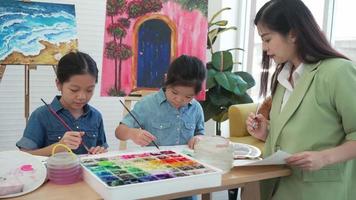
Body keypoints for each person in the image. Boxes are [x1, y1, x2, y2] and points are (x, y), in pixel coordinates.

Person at [245, 0, 356, 199]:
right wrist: (267, 132)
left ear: (293, 33)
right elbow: (302, 132)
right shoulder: (282, 77)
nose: (264, 48)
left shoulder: (338, 72)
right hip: (279, 189)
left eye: (267, 39)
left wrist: (324, 157)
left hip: (321, 192)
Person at [16, 51, 108, 156]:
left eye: (89, 90)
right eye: (74, 90)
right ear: (59, 84)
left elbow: (102, 148)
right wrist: (58, 147)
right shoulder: (41, 115)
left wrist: (100, 152)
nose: (82, 96)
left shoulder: (96, 116)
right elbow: (24, 156)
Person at [115, 54, 206, 149]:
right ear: (166, 80)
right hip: (154, 161)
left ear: (197, 93)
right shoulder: (147, 104)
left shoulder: (196, 108)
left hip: (186, 161)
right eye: (174, 92)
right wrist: (132, 133)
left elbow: (200, 134)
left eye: (188, 96)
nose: (179, 100)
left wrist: (198, 138)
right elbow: (119, 132)